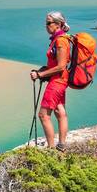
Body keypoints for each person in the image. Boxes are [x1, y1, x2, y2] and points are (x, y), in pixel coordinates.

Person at [30, 11, 70, 150]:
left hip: (57, 81)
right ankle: (62, 146)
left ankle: (52, 149)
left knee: (43, 115)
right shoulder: (58, 39)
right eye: (45, 23)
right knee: (60, 112)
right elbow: (57, 64)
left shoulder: (60, 41)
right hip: (60, 80)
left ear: (58, 24)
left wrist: (40, 75)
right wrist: (45, 70)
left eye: (48, 23)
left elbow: (61, 66)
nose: (46, 26)